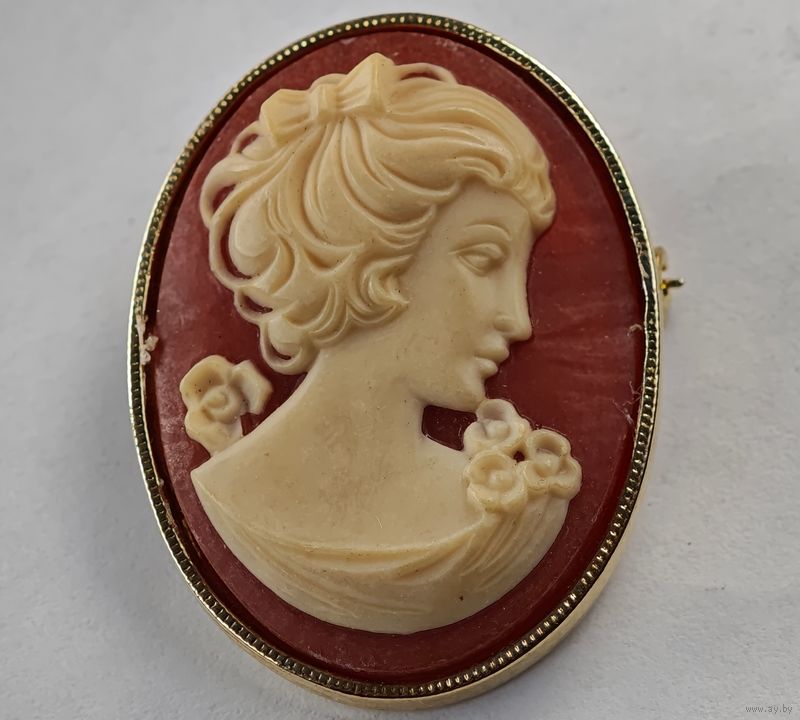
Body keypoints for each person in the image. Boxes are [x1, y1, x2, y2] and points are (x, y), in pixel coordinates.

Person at [181, 53, 581, 633]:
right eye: (483, 259)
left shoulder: (509, 513)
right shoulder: (226, 493)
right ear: (363, 261)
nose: (517, 319)